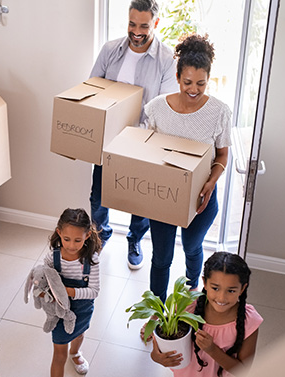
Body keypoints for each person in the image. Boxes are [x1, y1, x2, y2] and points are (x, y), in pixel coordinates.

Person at [89, 0, 178, 270]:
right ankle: (100, 235)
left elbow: (163, 109)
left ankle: (134, 239)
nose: (136, 31)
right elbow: (92, 89)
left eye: (143, 25)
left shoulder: (166, 59)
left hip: (142, 141)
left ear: (156, 24)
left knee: (139, 200)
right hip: (107, 139)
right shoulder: (110, 50)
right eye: (132, 24)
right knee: (98, 194)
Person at [144, 34, 232, 302]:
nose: (194, 89)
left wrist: (211, 182)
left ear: (209, 80)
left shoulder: (219, 112)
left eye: (201, 84)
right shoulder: (157, 108)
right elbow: (146, 149)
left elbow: (223, 154)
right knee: (161, 258)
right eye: (187, 82)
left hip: (202, 197)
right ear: (177, 76)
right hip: (164, 195)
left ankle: (192, 291)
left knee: (193, 247)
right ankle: (156, 311)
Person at [150, 252, 263, 377]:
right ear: (204, 282)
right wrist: (157, 357)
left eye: (231, 291)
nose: (222, 297)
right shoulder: (187, 306)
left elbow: (244, 370)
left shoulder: (249, 322)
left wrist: (212, 350)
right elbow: (160, 345)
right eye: (215, 288)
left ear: (242, 289)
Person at [44, 208, 101, 376]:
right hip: (60, 313)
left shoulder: (92, 260)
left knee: (79, 334)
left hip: (82, 309)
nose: (71, 245)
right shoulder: (51, 259)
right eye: (66, 239)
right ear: (59, 233)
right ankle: (68, 355)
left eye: (78, 240)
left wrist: (67, 291)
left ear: (88, 235)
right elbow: (44, 283)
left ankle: (75, 353)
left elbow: (94, 291)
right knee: (59, 355)